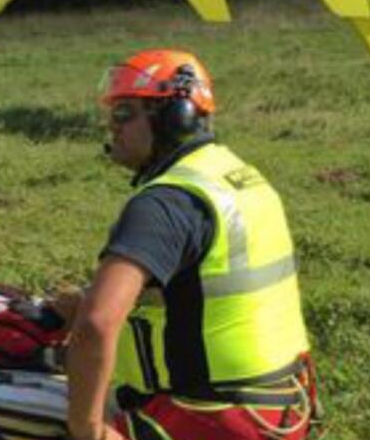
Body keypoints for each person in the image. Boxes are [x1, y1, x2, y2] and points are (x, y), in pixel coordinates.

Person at [57, 49, 318, 440]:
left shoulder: (164, 203)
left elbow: (96, 324)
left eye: (124, 113)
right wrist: (80, 304)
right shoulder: (236, 176)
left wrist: (88, 429)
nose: (112, 127)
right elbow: (204, 295)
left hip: (212, 418)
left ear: (173, 118)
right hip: (282, 411)